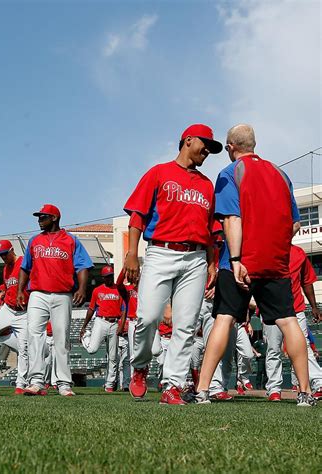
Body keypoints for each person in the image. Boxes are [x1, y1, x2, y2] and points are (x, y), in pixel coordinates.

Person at [195, 124, 316, 407]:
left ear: (230, 147)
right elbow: (295, 223)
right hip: (274, 261)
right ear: (254, 144)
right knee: (288, 320)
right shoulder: (280, 174)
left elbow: (231, 219)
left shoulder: (229, 173)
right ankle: (305, 393)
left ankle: (202, 390)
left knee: (224, 319)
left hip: (237, 261)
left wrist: (237, 259)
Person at [123, 124, 221, 404]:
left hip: (196, 258)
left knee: (186, 325)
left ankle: (172, 385)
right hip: (161, 252)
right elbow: (138, 214)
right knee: (148, 317)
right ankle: (140, 366)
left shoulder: (206, 184)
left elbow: (212, 231)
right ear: (188, 140)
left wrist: (212, 264)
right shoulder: (159, 172)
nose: (208, 151)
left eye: (213, 149)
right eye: (205, 145)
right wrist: (132, 252)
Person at [18, 204, 93, 397]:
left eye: (42, 217)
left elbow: (83, 266)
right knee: (34, 335)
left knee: (61, 338)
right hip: (37, 293)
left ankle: (63, 383)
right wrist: (20, 290)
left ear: (54, 218)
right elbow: (25, 268)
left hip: (62, 294)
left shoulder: (70, 240)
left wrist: (83, 288)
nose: (39, 220)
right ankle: (36, 381)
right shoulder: (34, 240)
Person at [264, 244, 322, 401]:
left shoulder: (298, 252)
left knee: (304, 346)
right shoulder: (266, 249)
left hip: (296, 308)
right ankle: (274, 389)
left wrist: (314, 307)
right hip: (272, 308)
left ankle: (318, 382)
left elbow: (307, 281)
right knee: (273, 349)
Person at [0, 240, 29, 395]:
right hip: (7, 309)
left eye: (4, 254)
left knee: (24, 349)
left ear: (12, 250)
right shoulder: (5, 270)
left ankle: (20, 384)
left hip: (23, 313)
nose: (3, 257)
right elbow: (9, 288)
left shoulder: (23, 261)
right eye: (0, 255)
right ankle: (3, 337)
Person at [80, 266, 125, 392]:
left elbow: (123, 310)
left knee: (113, 356)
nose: (109, 278)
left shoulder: (119, 289)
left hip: (114, 322)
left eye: (111, 275)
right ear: (103, 278)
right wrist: (84, 326)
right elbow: (91, 309)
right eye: (107, 276)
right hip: (101, 321)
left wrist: (121, 325)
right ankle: (86, 336)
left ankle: (110, 384)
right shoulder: (97, 290)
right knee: (92, 349)